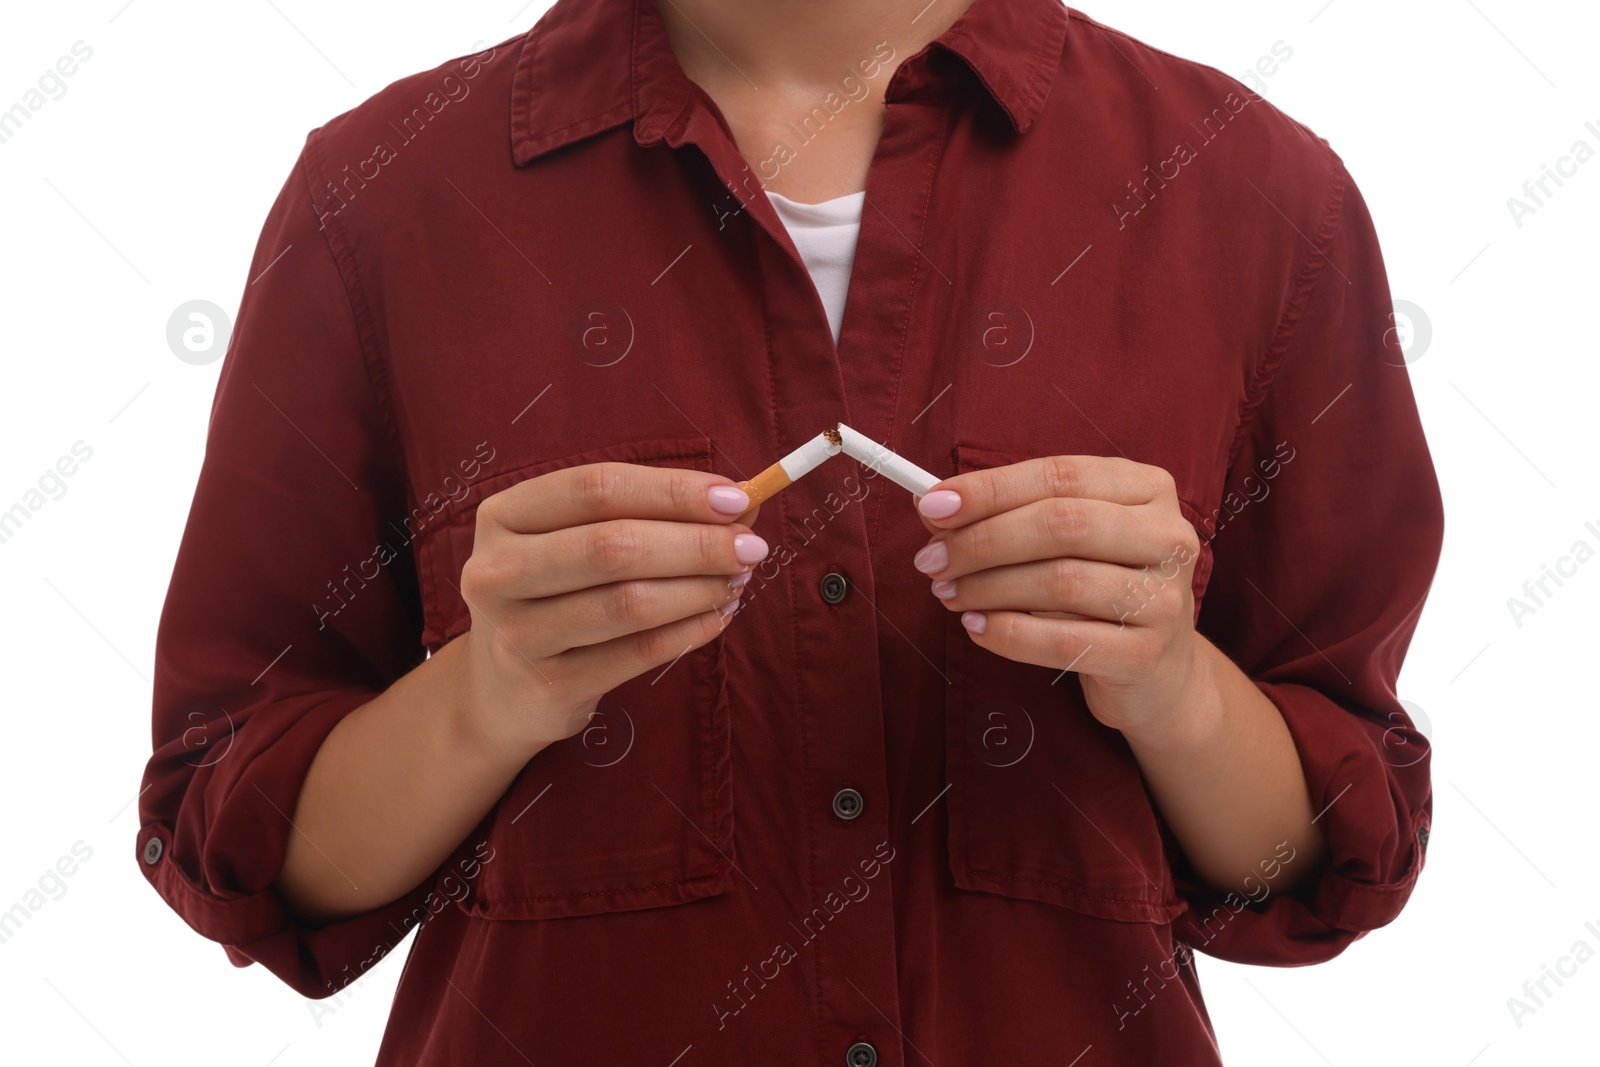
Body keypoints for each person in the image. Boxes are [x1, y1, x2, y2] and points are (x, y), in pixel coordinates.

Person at [136, 0, 1443, 1063]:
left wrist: (1173, 690)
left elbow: (1319, 854)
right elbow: (241, 835)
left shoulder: (1257, 197)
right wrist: (489, 694)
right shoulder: (383, 200)